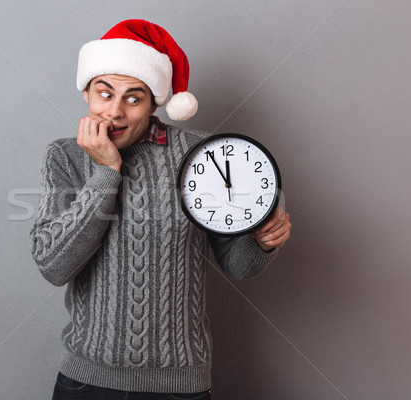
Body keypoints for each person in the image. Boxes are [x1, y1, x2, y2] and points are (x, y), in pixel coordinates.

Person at [30, 19, 291, 400]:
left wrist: (261, 243)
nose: (115, 112)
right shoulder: (65, 156)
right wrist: (106, 172)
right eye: (104, 94)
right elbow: (53, 265)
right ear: (86, 92)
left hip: (180, 384)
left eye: (134, 98)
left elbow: (238, 265)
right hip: (88, 382)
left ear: (155, 103)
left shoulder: (202, 155)